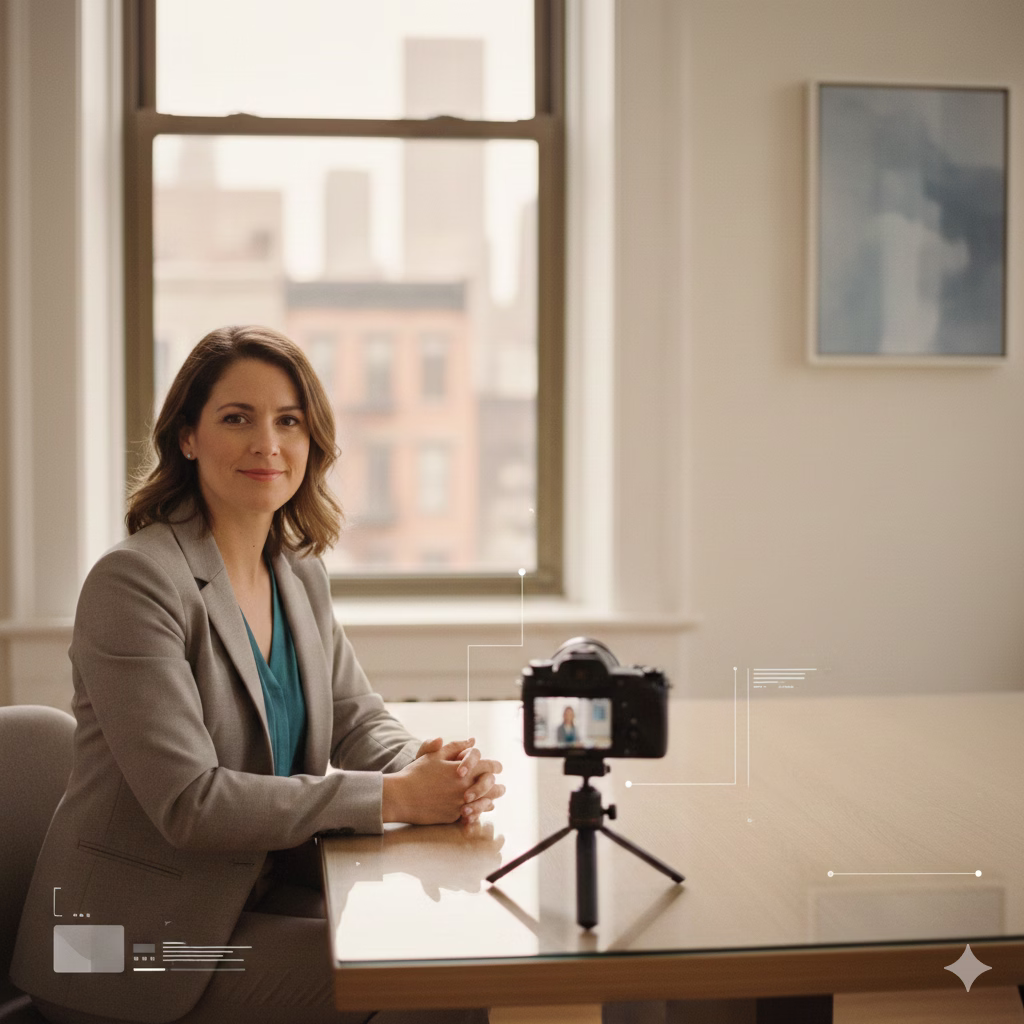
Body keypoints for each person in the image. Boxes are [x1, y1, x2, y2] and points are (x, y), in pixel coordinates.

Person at [11, 326, 503, 1024]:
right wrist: (395, 798)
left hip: (246, 901)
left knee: (451, 944)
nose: (267, 443)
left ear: (312, 442)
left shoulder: (296, 572)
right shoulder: (135, 583)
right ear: (188, 437)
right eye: (236, 418)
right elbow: (192, 803)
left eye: (288, 420)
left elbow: (358, 716)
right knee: (428, 982)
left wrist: (433, 767)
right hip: (116, 946)